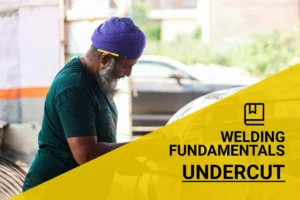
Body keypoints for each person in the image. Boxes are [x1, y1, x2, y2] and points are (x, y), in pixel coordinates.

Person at [22, 16, 146, 192]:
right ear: (105, 59)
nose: (128, 73)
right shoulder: (74, 86)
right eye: (126, 66)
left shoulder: (97, 79)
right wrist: (140, 147)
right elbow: (86, 154)